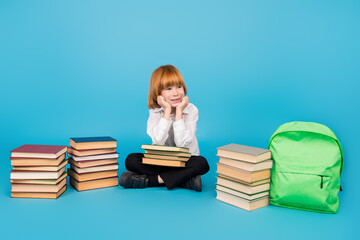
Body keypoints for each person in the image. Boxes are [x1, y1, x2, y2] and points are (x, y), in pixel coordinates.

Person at [119, 65, 209, 191]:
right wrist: (166, 111)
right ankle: (184, 180)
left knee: (202, 163)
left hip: (185, 162)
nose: (176, 93)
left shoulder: (191, 110)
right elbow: (158, 142)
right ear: (158, 93)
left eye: (179, 86)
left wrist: (179, 112)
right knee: (131, 160)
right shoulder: (155, 111)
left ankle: (152, 181)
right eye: (169, 88)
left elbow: (182, 144)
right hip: (162, 162)